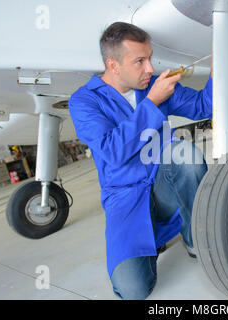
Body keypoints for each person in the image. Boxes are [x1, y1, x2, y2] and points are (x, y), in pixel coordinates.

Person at [68, 22, 212, 300]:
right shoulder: (84, 101)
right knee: (132, 291)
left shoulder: (151, 85)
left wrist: (220, 68)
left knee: (183, 155)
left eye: (150, 58)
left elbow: (202, 106)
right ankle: (156, 238)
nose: (149, 68)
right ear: (114, 65)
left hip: (163, 183)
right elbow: (112, 151)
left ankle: (198, 239)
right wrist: (153, 103)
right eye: (140, 61)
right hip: (125, 197)